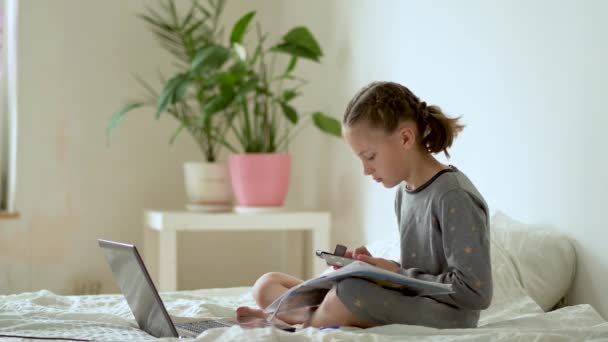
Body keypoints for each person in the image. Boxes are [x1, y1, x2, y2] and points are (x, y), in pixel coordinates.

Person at [236, 81, 492, 329]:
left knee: (349, 292)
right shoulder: (405, 192)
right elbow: (420, 270)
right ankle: (305, 314)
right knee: (267, 285)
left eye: (370, 157)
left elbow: (474, 293)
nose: (366, 170)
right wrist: (377, 269)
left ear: (405, 138)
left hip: (449, 315)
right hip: (414, 299)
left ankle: (286, 320)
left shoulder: (453, 195)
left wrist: (394, 274)